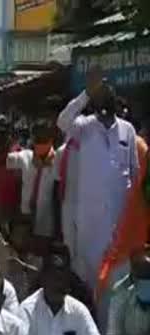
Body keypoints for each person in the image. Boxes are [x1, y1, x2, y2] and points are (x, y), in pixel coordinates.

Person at [57, 70, 139, 301]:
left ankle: (110, 333)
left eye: (109, 90)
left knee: (117, 284)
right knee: (89, 282)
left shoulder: (127, 130)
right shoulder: (83, 127)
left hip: (118, 221)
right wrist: (85, 94)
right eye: (101, 92)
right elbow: (62, 121)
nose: (106, 94)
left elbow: (134, 172)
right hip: (89, 223)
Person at [6, 119, 60, 241]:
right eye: (37, 140)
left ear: (51, 139)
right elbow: (3, 159)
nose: (40, 144)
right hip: (25, 219)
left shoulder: (57, 161)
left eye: (44, 140)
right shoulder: (25, 156)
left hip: (46, 223)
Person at [0, 214, 41, 301]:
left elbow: (41, 276)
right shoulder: (3, 250)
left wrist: (23, 267)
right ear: (11, 235)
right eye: (18, 234)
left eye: (25, 234)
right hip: (5, 302)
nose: (22, 238)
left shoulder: (36, 259)